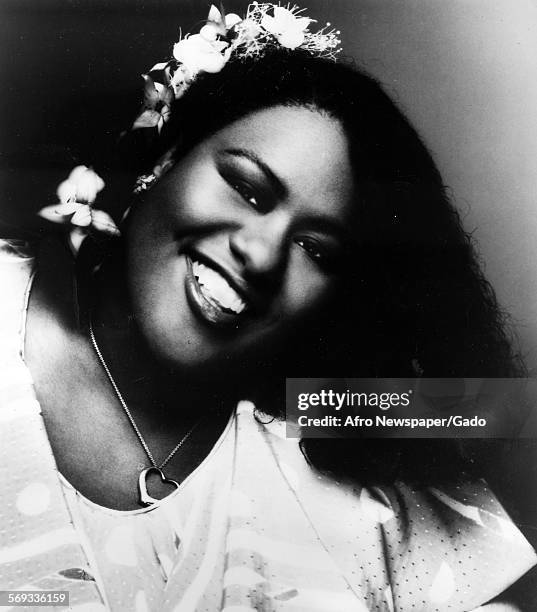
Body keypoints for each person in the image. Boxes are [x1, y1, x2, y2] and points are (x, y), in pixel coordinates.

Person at [0, 4, 535, 610]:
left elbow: (499, 414)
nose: (262, 254)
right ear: (161, 159)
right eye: (247, 188)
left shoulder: (323, 431)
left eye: (314, 247)